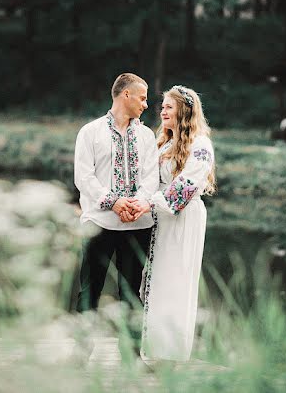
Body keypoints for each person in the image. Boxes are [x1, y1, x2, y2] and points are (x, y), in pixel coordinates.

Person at [129, 85, 216, 361]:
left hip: (182, 218)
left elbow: (188, 184)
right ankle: (153, 349)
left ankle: (171, 354)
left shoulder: (200, 144)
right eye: (163, 106)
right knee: (155, 281)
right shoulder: (164, 142)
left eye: (169, 106)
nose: (163, 110)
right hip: (159, 220)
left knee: (175, 280)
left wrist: (152, 202)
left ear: (184, 110)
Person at [73, 73, 159, 322]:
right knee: (90, 289)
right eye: (142, 98)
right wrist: (114, 202)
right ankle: (82, 352)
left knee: (132, 293)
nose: (145, 104)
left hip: (138, 224)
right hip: (99, 223)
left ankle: (130, 356)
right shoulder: (90, 132)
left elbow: (151, 178)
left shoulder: (146, 136)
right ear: (126, 94)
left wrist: (136, 203)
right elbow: (84, 177)